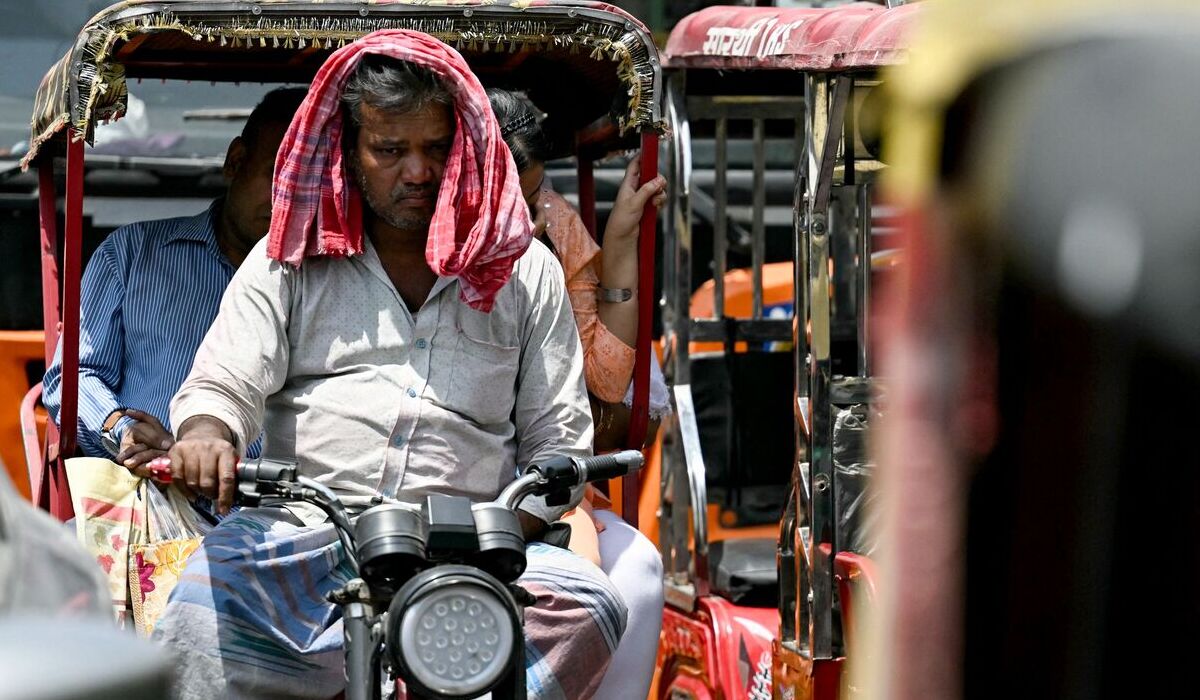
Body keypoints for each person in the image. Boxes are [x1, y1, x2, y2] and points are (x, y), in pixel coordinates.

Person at [153, 31, 625, 699]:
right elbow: (223, 383)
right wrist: (207, 433)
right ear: (350, 152)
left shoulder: (528, 273)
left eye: (436, 148)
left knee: (592, 606)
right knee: (203, 603)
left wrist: (502, 526)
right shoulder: (289, 257)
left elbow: (558, 439)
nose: (418, 172)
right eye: (391, 150)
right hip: (307, 533)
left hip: (473, 549)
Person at [488, 87, 667, 700]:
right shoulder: (415, 246)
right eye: (508, 197)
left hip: (540, 486)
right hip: (440, 487)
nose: (525, 213)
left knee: (633, 571)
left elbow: (608, 383)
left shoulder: (551, 231)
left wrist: (617, 245)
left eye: (534, 193)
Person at [42, 88, 307, 473]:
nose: (290, 200)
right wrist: (124, 431)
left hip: (277, 497)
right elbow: (74, 378)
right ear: (235, 161)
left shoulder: (333, 280)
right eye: (279, 175)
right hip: (143, 486)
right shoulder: (132, 253)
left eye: (310, 185)